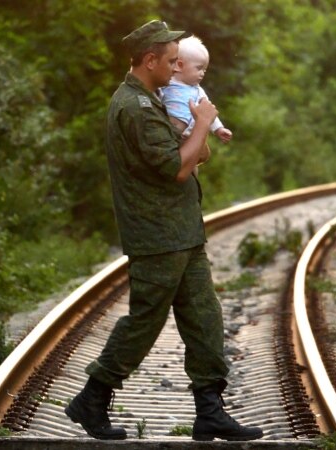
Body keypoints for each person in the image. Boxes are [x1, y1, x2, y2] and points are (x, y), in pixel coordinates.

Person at [64, 20, 263, 442]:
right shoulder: (134, 108)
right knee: (145, 322)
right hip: (157, 235)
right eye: (171, 62)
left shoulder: (155, 100)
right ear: (149, 60)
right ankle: (93, 397)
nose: (177, 69)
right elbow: (176, 167)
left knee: (205, 319)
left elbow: (198, 155)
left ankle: (211, 410)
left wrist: (199, 129)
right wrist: (204, 120)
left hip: (181, 231)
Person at [161, 35, 233, 144]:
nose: (203, 73)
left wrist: (219, 129)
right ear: (179, 65)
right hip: (166, 135)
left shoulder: (198, 91)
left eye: (205, 70)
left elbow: (208, 112)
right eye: (199, 68)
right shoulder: (166, 82)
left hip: (188, 139)